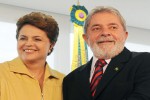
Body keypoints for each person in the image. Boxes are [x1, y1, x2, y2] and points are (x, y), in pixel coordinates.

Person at [63, 6, 150, 100]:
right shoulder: (71, 79)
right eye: (96, 28)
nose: (105, 33)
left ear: (125, 35)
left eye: (113, 27)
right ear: (86, 38)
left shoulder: (145, 62)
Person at [0, 12, 65, 100]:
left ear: (51, 45)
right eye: (23, 38)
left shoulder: (63, 81)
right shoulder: (2, 73)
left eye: (37, 39)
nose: (28, 43)